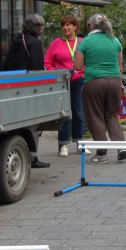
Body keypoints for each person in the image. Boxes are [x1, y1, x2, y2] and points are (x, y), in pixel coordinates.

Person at [73, 13, 126, 164]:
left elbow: (77, 66)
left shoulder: (86, 41)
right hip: (114, 81)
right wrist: (120, 83)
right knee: (112, 115)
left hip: (94, 82)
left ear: (92, 25)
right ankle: (121, 148)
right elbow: (120, 66)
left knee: (95, 116)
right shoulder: (115, 40)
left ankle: (101, 153)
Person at [4, 13, 50, 169]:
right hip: (29, 89)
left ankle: (24, 154)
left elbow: (6, 65)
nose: (42, 29)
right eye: (42, 27)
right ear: (38, 28)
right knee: (33, 124)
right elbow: (37, 69)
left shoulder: (17, 41)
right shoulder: (35, 43)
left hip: (12, 87)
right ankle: (33, 157)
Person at [44, 15, 85, 157]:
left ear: (75, 27)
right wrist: (54, 73)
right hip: (62, 82)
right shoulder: (56, 43)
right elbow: (48, 62)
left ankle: (80, 143)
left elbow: (88, 59)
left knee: (78, 111)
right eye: (63, 25)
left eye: (68, 25)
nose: (65, 27)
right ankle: (63, 144)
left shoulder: (82, 42)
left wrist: (83, 72)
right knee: (64, 113)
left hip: (78, 80)